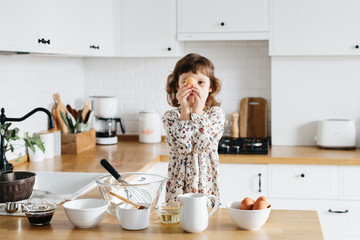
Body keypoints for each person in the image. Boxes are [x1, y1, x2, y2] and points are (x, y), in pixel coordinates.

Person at [162, 53, 225, 203]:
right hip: (178, 184)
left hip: (205, 183)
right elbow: (182, 147)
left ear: (211, 87)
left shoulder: (215, 114)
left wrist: (197, 111)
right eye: (186, 81)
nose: (193, 86)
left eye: (201, 82)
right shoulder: (171, 117)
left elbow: (203, 146)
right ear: (177, 86)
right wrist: (185, 109)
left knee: (205, 219)